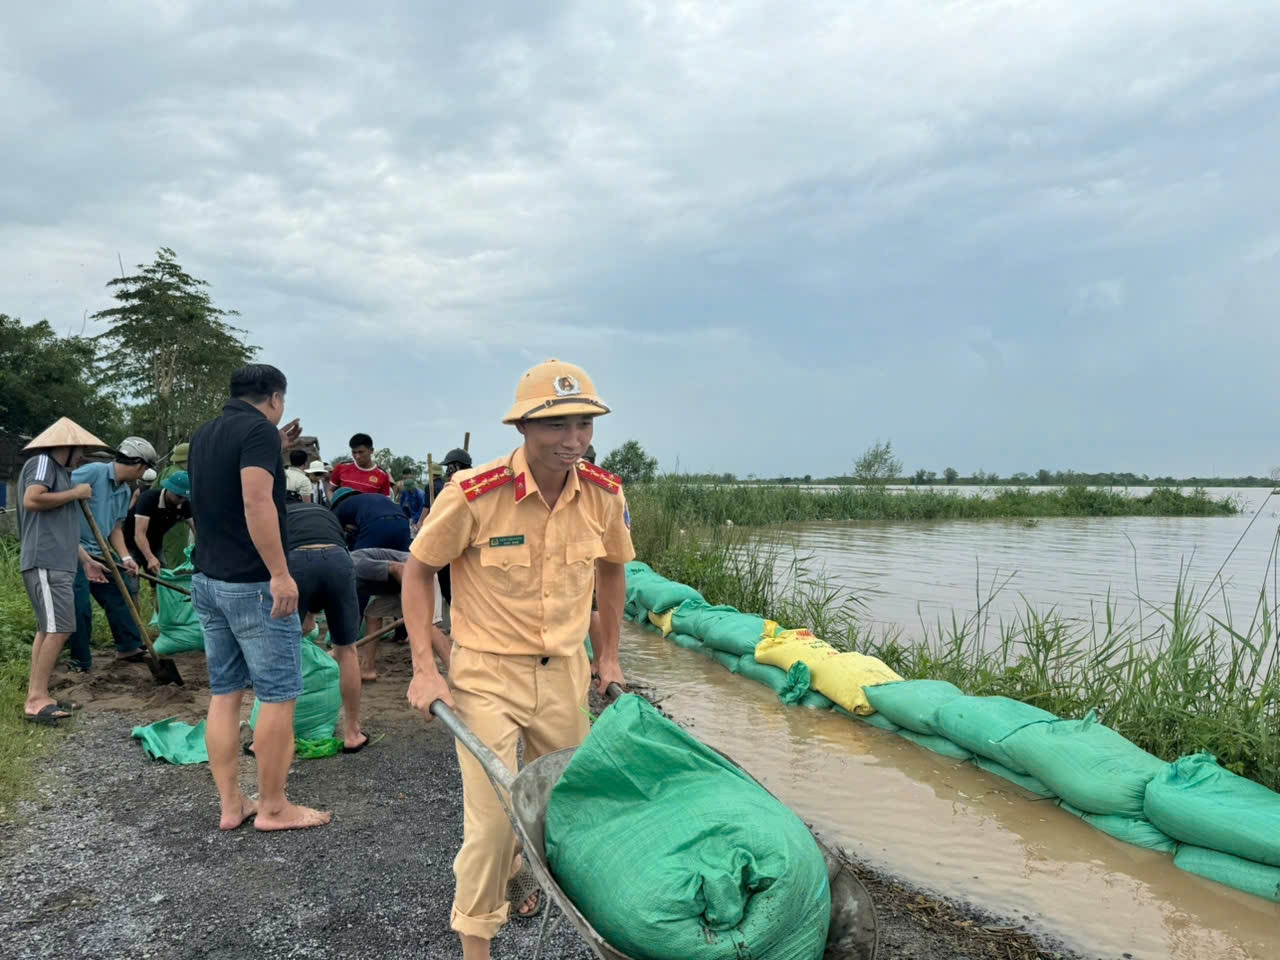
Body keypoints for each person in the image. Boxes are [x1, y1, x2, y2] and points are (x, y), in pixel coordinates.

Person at [403, 359, 634, 957]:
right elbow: (418, 569)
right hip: (487, 678)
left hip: (565, 675)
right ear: (523, 428)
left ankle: (519, 873)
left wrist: (607, 657)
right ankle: (476, 943)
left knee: (562, 810)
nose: (574, 440)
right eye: (558, 426)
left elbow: (612, 569)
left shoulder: (604, 495)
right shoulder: (475, 495)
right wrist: (425, 668)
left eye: (583, 424)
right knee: (492, 821)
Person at [188, 363, 329, 832]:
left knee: (225, 695)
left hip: (208, 580)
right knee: (277, 696)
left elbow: (223, 491)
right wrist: (281, 574)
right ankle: (273, 807)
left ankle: (232, 805)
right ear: (274, 398)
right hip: (252, 583)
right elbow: (256, 501)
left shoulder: (207, 433)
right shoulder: (258, 433)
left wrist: (276, 444)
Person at [16, 418, 113, 722]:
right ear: (66, 447)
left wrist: (85, 559)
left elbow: (61, 526)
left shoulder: (60, 473)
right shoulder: (43, 463)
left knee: (49, 628)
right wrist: (75, 493)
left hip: (59, 560)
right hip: (45, 560)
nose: (83, 455)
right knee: (60, 628)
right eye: (80, 449)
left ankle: (39, 693)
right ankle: (35, 700)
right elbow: (32, 500)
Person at [67, 436, 159, 671]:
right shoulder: (94, 472)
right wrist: (76, 492)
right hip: (72, 549)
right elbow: (61, 489)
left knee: (120, 592)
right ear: (140, 465)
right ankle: (79, 660)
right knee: (80, 605)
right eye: (145, 468)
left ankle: (128, 647)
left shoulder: (125, 491)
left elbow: (116, 529)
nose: (143, 473)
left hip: (100, 552)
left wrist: (126, 557)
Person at [284, 500, 367, 752]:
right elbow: (323, 561)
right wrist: (309, 612)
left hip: (295, 560)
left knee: (282, 652)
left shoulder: (275, 511)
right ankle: (353, 732)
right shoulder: (324, 512)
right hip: (337, 560)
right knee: (346, 650)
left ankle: (273, 736)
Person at [349, 546, 450, 682]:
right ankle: (367, 669)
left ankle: (455, 671)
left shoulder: (356, 564)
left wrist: (413, 602)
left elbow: (399, 568)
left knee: (425, 625)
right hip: (396, 586)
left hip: (420, 575)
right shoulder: (338, 577)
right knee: (373, 613)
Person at [123, 470, 194, 573]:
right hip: (130, 541)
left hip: (155, 543)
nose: (181, 500)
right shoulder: (148, 499)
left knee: (162, 577)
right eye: (179, 496)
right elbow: (139, 534)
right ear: (169, 489)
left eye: (185, 498)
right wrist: (150, 558)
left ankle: (156, 587)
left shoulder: (185, 504)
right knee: (131, 580)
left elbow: (197, 529)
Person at [435, 448, 473, 610]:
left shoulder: (456, 487)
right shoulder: (476, 480)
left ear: (455, 467)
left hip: (458, 541)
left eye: (448, 467)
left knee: (446, 579)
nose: (446, 471)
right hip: (466, 542)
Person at [330, 487, 412, 551]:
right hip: (403, 523)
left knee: (359, 561)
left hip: (377, 524)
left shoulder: (341, 506)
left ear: (338, 502)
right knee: (401, 563)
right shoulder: (369, 499)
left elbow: (331, 528)